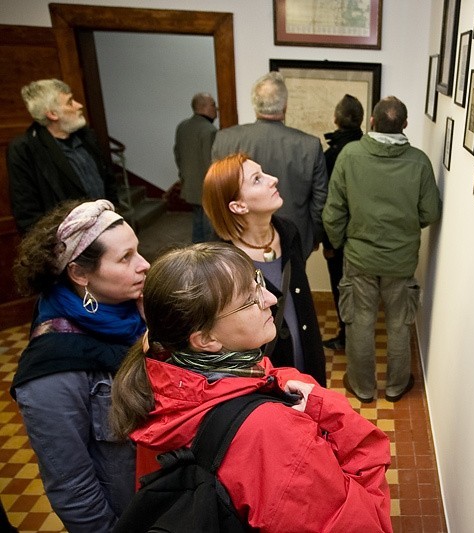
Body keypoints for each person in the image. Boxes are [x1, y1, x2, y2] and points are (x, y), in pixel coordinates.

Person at [109, 242, 392, 532]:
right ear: (205, 340)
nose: (270, 298)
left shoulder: (156, 380)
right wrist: (328, 409)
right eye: (249, 299)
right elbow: (367, 524)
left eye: (257, 281)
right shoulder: (270, 430)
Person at [11, 199, 149, 532]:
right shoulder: (52, 368)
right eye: (125, 258)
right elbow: (72, 487)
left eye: (138, 250)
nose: (144, 264)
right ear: (80, 273)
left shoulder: (139, 314)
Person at [323, 96, 442, 403]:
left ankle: (363, 388)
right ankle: (395, 386)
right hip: (401, 262)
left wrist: (339, 244)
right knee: (399, 324)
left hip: (359, 259)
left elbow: (333, 211)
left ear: (372, 122)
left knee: (360, 322)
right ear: (404, 125)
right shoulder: (418, 161)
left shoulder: (350, 155)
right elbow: (430, 212)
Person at [203, 152, 326, 386]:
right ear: (238, 206)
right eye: (257, 179)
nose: (273, 179)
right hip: (264, 379)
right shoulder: (220, 261)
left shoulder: (289, 232)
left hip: (308, 361)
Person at [211, 71, 327, 258]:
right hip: (295, 240)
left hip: (237, 238)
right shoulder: (310, 145)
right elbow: (320, 201)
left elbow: (215, 194)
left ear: (255, 105)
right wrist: (314, 237)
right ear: (285, 106)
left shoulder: (225, 139)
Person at [7, 79, 119, 234]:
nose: (79, 106)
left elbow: (108, 180)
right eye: (70, 102)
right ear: (52, 114)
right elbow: (26, 211)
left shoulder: (87, 136)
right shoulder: (24, 149)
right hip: (67, 242)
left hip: (106, 228)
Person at [321, 94, 365, 351]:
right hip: (364, 235)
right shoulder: (367, 150)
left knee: (340, 287)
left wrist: (328, 241)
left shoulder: (331, 155)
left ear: (336, 119)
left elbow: (329, 204)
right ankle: (357, 337)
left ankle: (347, 337)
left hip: (339, 238)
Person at [174, 92, 218, 243]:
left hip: (190, 185)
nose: (216, 108)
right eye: (213, 104)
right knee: (209, 229)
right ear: (203, 107)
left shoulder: (182, 126)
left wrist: (184, 178)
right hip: (206, 187)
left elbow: (177, 155)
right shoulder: (209, 131)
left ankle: (196, 253)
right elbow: (211, 163)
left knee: (197, 223)